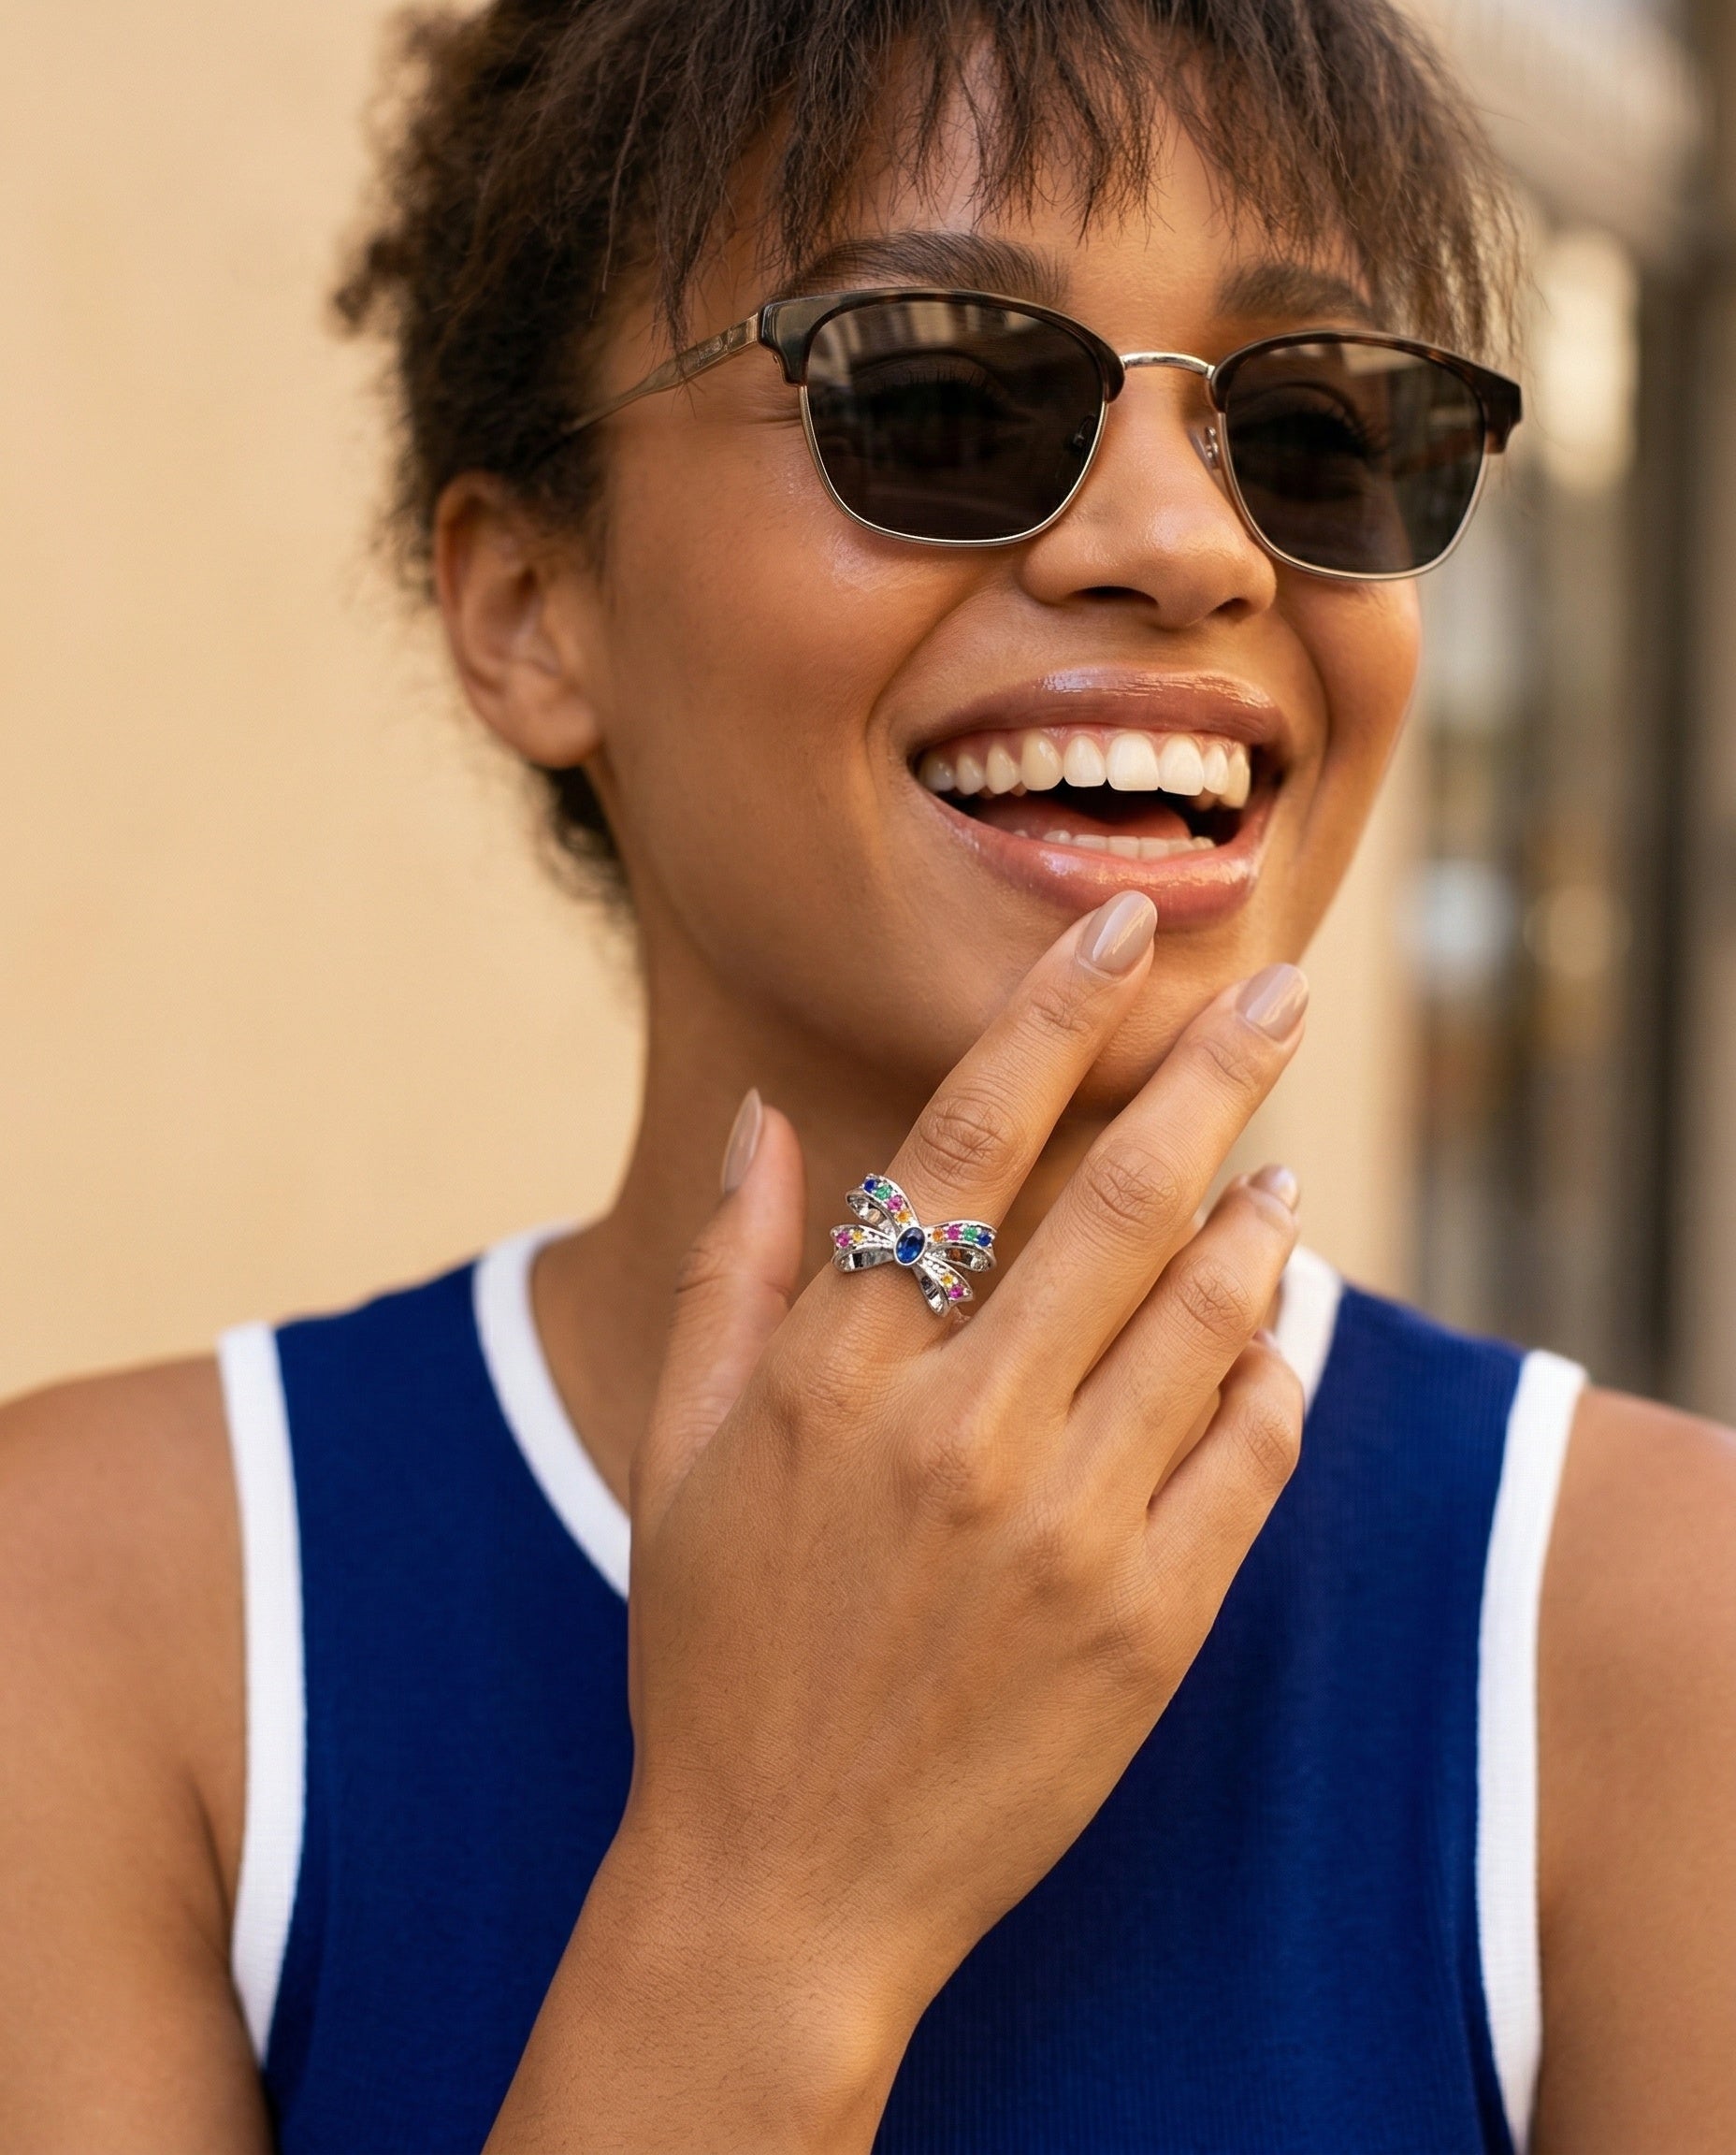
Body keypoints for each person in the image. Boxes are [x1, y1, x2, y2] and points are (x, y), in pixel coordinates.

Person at [2, 0, 1732, 2147]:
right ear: (532, 603)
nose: (1189, 550)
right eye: (940, 391)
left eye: (1314, 430)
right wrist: (771, 1900)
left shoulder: (1661, 1642)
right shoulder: (98, 1620)